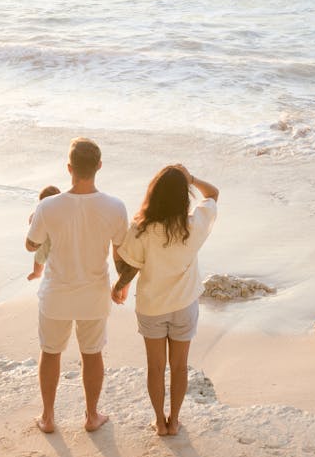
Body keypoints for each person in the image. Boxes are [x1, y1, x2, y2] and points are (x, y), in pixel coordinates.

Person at [26, 137, 128, 433]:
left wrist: (33, 225)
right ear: (99, 166)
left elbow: (32, 246)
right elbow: (120, 252)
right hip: (94, 294)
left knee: (50, 352)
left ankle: (47, 417)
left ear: (69, 167)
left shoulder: (48, 206)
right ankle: (92, 416)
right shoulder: (114, 206)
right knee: (92, 354)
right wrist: (121, 285)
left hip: (56, 293)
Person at [112, 164, 218, 436]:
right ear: (184, 196)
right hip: (184, 306)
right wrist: (191, 178)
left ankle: (159, 421)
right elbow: (213, 194)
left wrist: (120, 285)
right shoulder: (192, 227)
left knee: (156, 367)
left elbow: (129, 266)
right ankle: (175, 420)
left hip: (151, 307)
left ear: (154, 193)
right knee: (180, 367)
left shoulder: (141, 228)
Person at [27, 185, 61, 281]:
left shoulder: (40, 211)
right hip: (62, 240)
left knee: (39, 260)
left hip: (46, 241)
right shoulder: (63, 210)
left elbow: (32, 221)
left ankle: (37, 273)